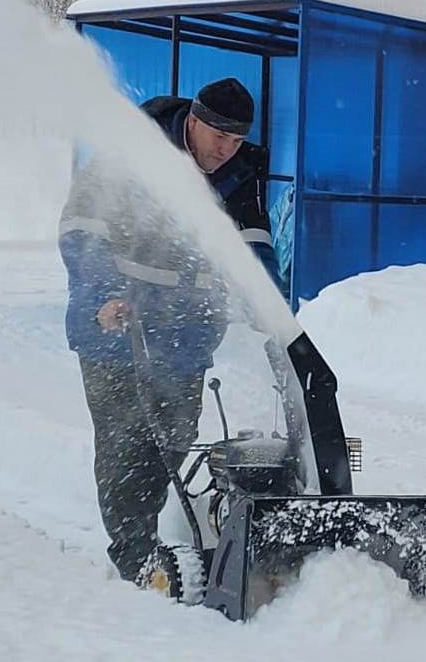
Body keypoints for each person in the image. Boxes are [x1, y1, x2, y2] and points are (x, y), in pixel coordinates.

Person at [58, 77, 278, 586]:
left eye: (238, 140)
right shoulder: (132, 153)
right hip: (116, 328)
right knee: (126, 443)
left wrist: (270, 303)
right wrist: (102, 295)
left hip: (186, 334)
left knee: (173, 439)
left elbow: (253, 244)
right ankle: (136, 555)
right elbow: (81, 228)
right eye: (219, 137)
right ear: (194, 122)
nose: (227, 150)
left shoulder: (239, 175)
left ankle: (159, 528)